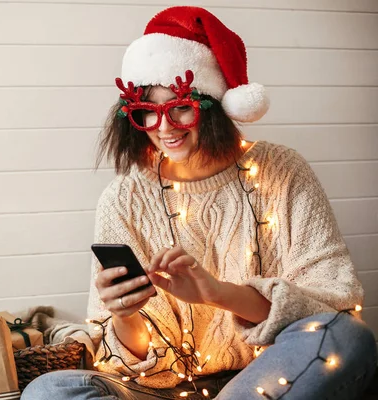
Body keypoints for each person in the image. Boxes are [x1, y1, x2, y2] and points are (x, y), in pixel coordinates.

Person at [21, 6, 377, 399]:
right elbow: (128, 363)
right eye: (147, 113)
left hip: (268, 380)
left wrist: (216, 293)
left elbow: (334, 301)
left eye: (180, 107)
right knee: (52, 389)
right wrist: (125, 314)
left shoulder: (282, 171)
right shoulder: (125, 198)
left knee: (345, 337)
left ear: (213, 107)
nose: (163, 127)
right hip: (163, 391)